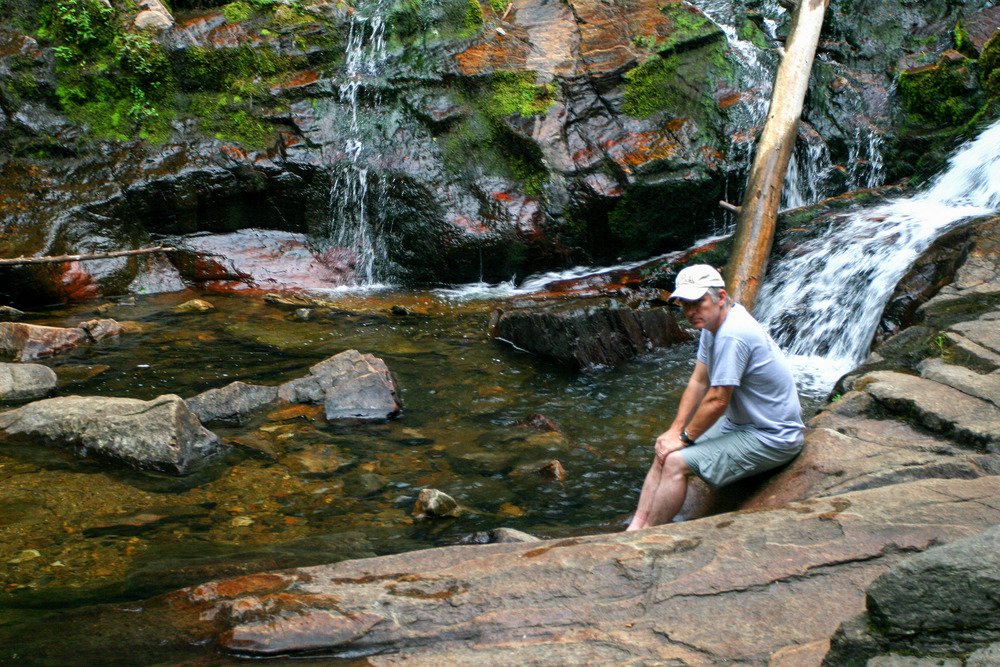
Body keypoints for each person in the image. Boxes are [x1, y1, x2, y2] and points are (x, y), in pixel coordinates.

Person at [626, 264, 804, 531]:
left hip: (773, 435)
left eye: (697, 302)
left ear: (721, 297)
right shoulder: (713, 326)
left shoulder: (734, 334)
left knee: (675, 461)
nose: (690, 311)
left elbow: (718, 400)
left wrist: (685, 439)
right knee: (663, 448)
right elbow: (699, 381)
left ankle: (646, 536)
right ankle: (635, 528)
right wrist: (674, 431)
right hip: (743, 426)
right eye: (685, 304)